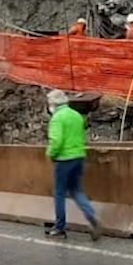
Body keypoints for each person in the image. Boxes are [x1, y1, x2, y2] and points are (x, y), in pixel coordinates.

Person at [45, 89, 101, 240]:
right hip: (78, 157)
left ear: (53, 104)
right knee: (76, 190)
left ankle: (59, 227)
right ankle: (91, 215)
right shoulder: (76, 115)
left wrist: (50, 154)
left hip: (63, 159)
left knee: (59, 193)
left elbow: (56, 141)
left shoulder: (57, 118)